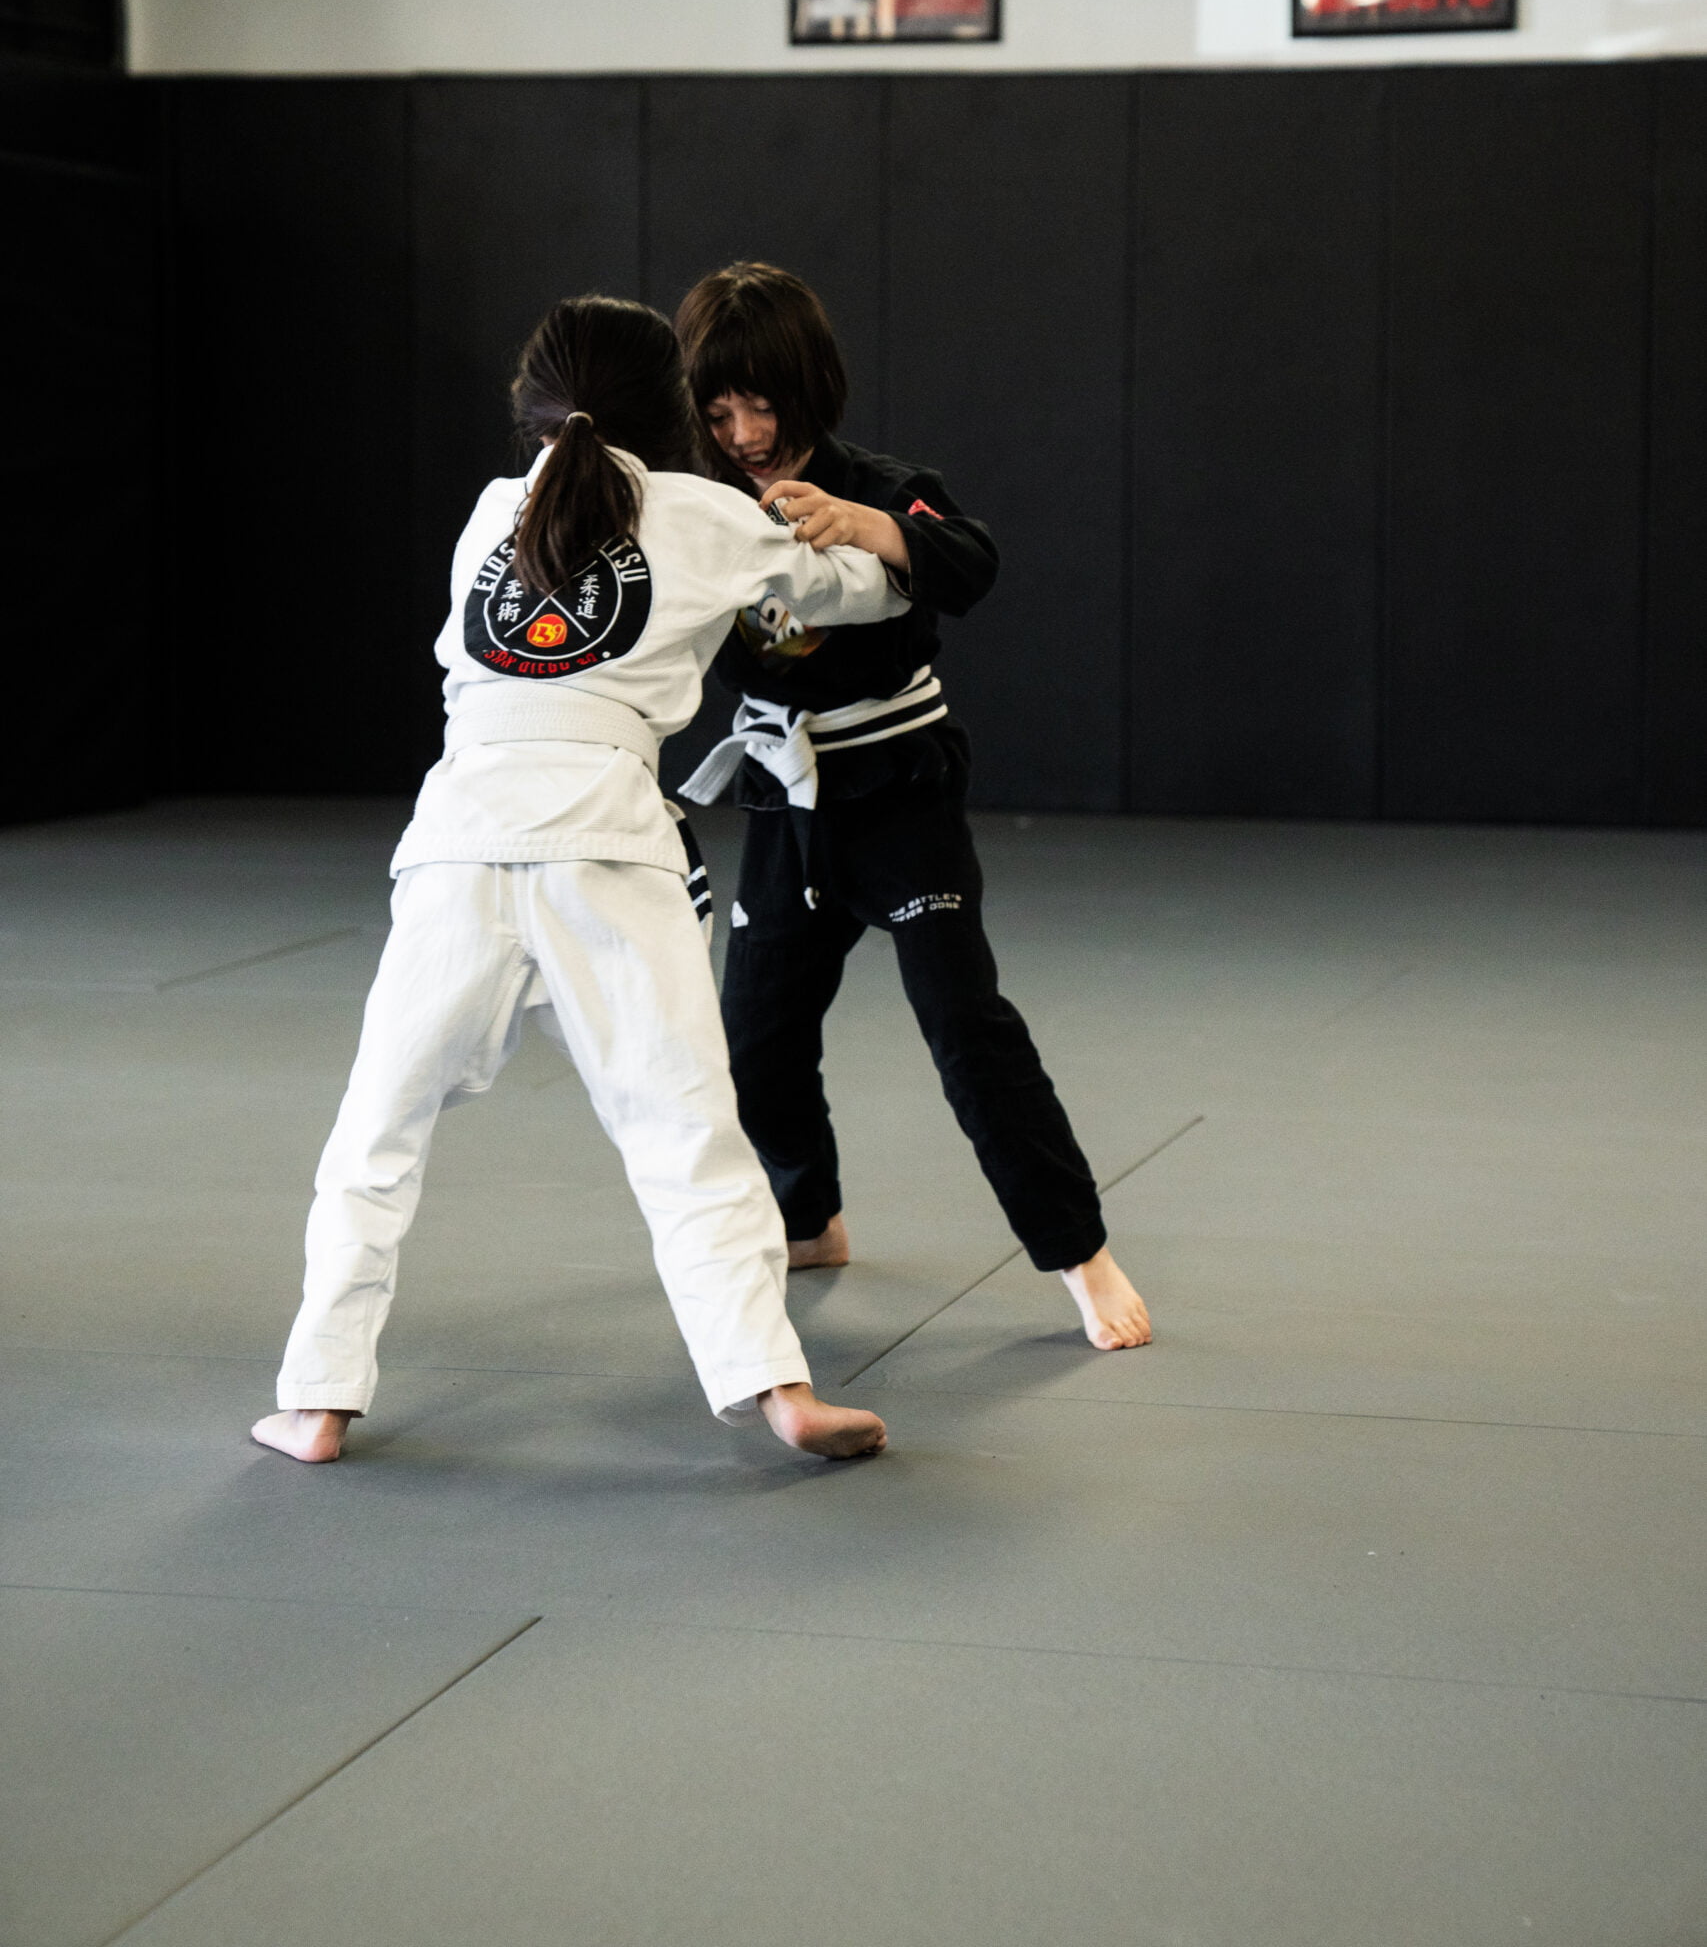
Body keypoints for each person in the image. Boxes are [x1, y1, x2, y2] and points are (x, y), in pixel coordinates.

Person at [252, 295, 909, 1469]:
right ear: (673, 415)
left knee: (376, 1132)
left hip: (460, 837)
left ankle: (316, 1400)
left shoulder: (492, 512)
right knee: (689, 1130)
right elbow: (870, 591)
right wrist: (866, 526)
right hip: (605, 840)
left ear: (535, 407)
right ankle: (779, 1389)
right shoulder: (708, 512)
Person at [674, 263, 1150, 1352]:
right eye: (720, 410)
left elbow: (973, 559)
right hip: (786, 801)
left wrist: (868, 525)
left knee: (964, 1023)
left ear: (813, 384)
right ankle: (807, 1214)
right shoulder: (699, 502)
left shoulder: (883, 481)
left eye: (764, 403)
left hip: (898, 795)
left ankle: (1079, 1250)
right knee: (755, 1033)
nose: (746, 431)